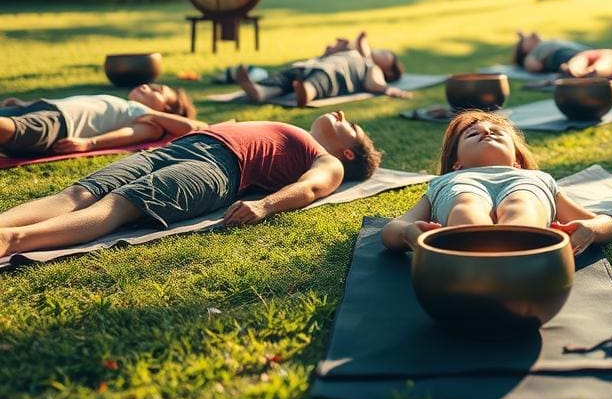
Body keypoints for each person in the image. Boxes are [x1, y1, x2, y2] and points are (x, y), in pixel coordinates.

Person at [0, 112, 381, 257]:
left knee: (117, 205)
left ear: (348, 152)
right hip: (183, 146)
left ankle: (12, 241)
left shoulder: (328, 161)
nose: (343, 115)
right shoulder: (294, 129)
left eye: (352, 125)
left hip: (219, 169)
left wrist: (265, 206)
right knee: (78, 193)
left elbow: (312, 188)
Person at [381, 110, 612, 254]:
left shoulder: (536, 178)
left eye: (497, 132)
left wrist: (590, 230)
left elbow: (605, 223)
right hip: (465, 243)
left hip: (525, 232)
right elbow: (393, 228)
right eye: (473, 134)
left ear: (517, 160)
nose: (486, 132)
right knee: (467, 204)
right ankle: (474, 250)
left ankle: (519, 249)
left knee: (522, 203)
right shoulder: (446, 181)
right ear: (457, 163)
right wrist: (409, 234)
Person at [0, 84, 202, 157]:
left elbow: (190, 127)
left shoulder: (149, 121)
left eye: (158, 91)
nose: (149, 86)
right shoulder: (128, 106)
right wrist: (24, 103)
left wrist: (90, 143)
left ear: (166, 111)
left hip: (59, 124)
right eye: (153, 85)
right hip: (41, 109)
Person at [235, 30, 409, 106]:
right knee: (287, 75)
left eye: (387, 55)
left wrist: (387, 89)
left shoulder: (370, 65)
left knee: (319, 82)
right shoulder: (356, 52)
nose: (383, 52)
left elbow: (374, 83)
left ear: (389, 71)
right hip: (310, 65)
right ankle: (260, 91)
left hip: (335, 72)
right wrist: (334, 49)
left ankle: (306, 94)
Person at [513, 32, 592, 74]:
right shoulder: (530, 56)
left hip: (581, 51)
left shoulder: (543, 43)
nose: (530, 36)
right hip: (558, 55)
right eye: (526, 39)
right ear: (523, 49)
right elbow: (535, 67)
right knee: (582, 61)